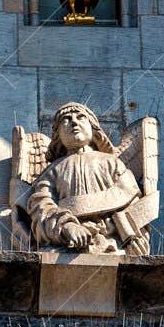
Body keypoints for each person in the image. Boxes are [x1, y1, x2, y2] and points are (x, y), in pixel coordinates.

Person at [27, 103, 149, 254]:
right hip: (65, 244)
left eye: (80, 117)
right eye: (66, 119)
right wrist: (66, 226)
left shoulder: (112, 163)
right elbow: (41, 207)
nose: (74, 122)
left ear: (93, 128)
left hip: (111, 242)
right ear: (57, 134)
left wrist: (127, 235)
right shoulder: (51, 171)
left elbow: (131, 200)